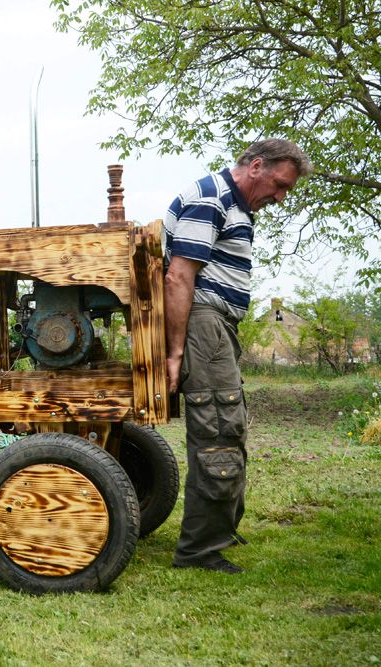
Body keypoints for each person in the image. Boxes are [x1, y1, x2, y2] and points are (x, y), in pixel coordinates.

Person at [164, 139, 312, 573]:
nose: (280, 197)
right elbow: (177, 277)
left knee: (229, 423)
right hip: (203, 324)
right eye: (279, 185)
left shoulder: (235, 206)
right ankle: (199, 551)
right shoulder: (212, 197)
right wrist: (176, 352)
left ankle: (219, 529)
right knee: (218, 429)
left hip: (216, 325)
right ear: (257, 166)